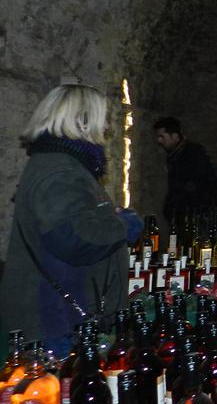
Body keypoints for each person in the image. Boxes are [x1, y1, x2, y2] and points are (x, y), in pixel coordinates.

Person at [0, 85, 143, 355]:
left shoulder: (64, 163)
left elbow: (71, 218)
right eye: (103, 118)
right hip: (54, 318)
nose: (107, 127)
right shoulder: (60, 170)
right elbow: (73, 238)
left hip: (60, 313)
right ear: (84, 120)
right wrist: (125, 224)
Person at [154, 116, 217, 234]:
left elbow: (205, 185)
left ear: (174, 136)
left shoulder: (194, 154)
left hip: (194, 217)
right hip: (180, 216)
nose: (159, 141)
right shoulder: (173, 155)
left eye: (162, 136)